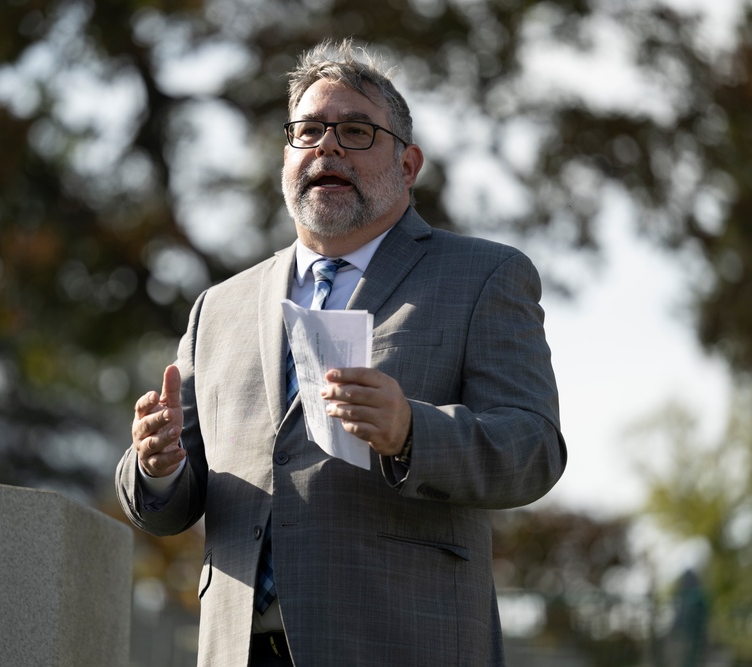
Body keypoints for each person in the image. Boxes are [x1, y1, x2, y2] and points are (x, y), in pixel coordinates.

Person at [116, 38, 567, 666]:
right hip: (238, 649)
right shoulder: (217, 308)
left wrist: (414, 431)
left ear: (408, 166)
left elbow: (534, 448)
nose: (327, 146)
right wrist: (156, 467)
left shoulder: (483, 277)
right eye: (308, 132)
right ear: (287, 157)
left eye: (356, 131)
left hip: (401, 642)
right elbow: (168, 507)